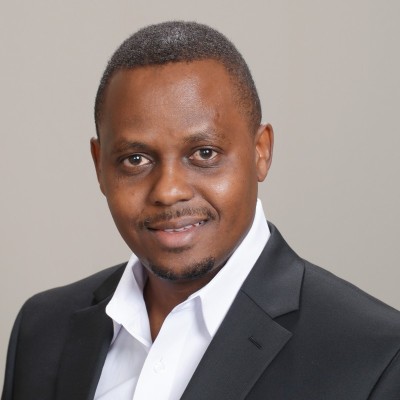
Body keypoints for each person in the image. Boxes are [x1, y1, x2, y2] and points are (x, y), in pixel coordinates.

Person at [2, 21, 400, 400]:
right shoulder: (42, 330)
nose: (168, 191)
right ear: (99, 165)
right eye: (135, 159)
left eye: (204, 153)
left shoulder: (375, 357)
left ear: (261, 152)